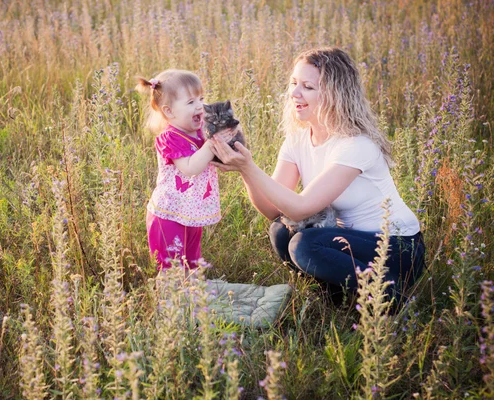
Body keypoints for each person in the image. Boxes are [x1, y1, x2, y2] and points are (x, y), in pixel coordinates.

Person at [209, 47, 425, 303]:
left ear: (335, 94)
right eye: (293, 83)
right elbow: (273, 209)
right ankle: (339, 297)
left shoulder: (356, 145)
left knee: (305, 245)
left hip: (397, 249)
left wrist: (249, 167)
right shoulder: (298, 139)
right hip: (351, 244)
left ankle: (390, 297)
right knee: (281, 231)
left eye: (307, 87)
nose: (295, 93)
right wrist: (245, 171)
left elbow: (300, 209)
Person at [137, 69, 231, 271]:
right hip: (169, 214)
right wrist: (210, 145)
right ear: (169, 111)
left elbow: (216, 160)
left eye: (201, 99)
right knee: (172, 268)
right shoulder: (170, 137)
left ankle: (192, 299)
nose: (200, 106)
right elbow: (190, 168)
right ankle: (168, 301)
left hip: (190, 211)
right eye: (191, 102)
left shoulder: (200, 132)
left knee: (192, 262)